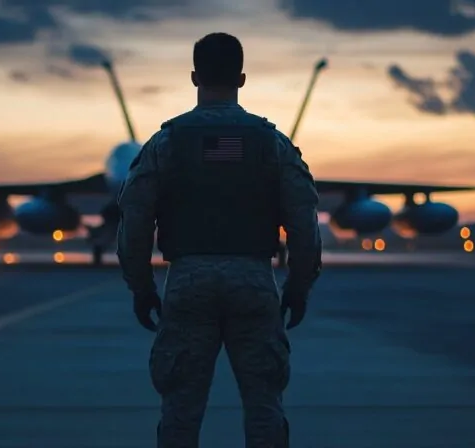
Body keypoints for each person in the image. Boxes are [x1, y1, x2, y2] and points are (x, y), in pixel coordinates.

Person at [116, 32, 322, 448]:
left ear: (194, 77)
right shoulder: (273, 144)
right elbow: (304, 222)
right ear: (242, 79)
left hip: (188, 283)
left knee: (179, 411)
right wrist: (298, 287)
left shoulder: (166, 143)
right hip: (255, 282)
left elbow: (134, 221)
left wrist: (141, 288)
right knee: (265, 406)